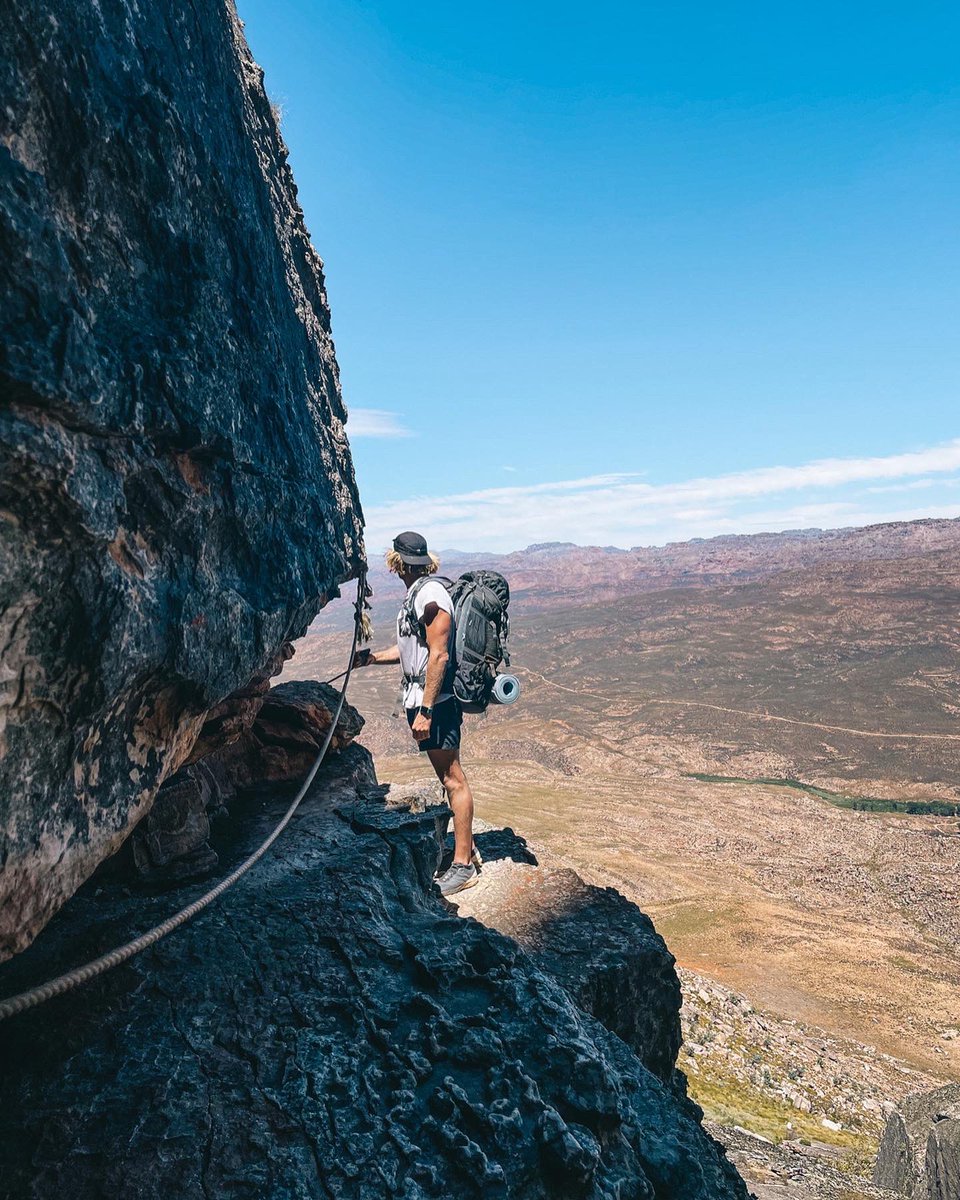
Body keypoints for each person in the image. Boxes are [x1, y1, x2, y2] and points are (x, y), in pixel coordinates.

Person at [353, 531, 479, 896]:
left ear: (400, 563)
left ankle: (461, 866)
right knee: (446, 776)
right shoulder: (419, 594)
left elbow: (438, 655)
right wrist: (372, 658)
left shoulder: (431, 595)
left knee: (453, 778)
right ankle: (464, 845)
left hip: (436, 704)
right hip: (423, 701)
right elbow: (414, 649)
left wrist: (425, 710)